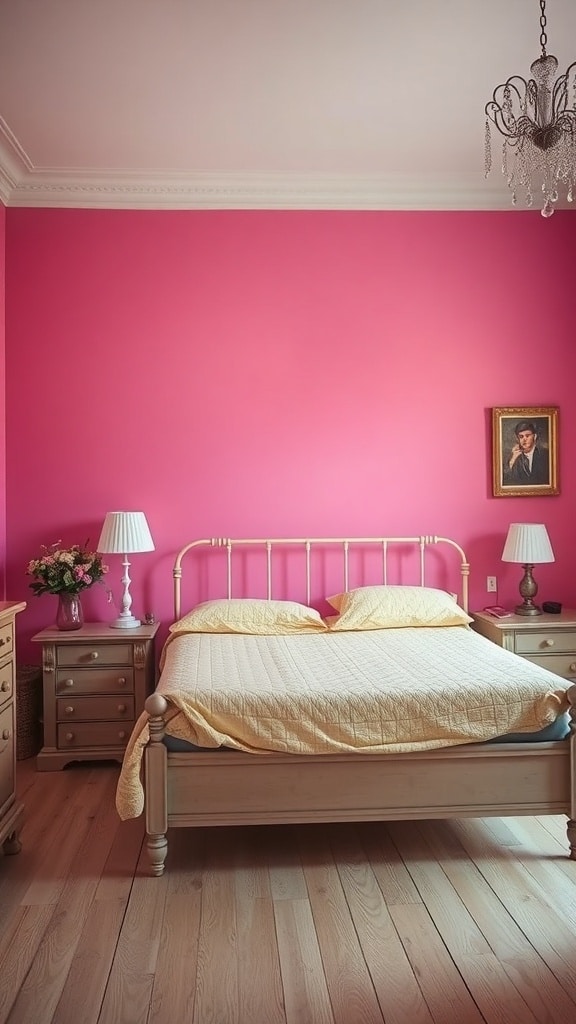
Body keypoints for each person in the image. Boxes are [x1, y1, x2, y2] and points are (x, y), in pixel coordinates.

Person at [504, 420, 550, 485]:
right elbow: (506, 481)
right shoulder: (514, 458)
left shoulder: (545, 454)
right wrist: (512, 460)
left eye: (527, 436)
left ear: (535, 436)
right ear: (518, 439)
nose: (524, 439)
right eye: (521, 437)